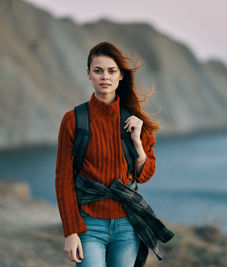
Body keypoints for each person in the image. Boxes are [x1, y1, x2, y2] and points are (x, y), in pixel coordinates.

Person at [55, 41, 162, 267]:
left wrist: (137, 143)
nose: (105, 76)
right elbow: (63, 179)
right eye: (98, 70)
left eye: (112, 71)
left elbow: (144, 175)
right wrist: (70, 231)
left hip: (127, 225)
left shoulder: (134, 121)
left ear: (121, 75)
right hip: (88, 225)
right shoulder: (73, 120)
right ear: (88, 74)